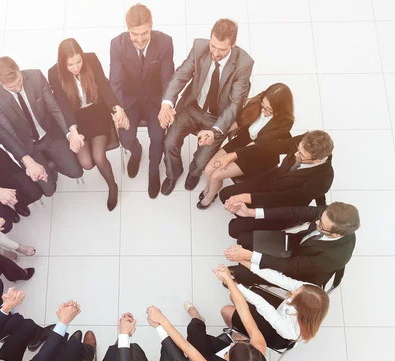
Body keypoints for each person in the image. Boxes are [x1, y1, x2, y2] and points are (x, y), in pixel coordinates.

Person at [158, 19, 254, 195]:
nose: (215, 53)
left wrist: (216, 131)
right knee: (169, 142)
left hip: (218, 118)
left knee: (203, 160)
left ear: (233, 45)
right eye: (213, 46)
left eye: (222, 49)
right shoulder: (199, 47)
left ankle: (194, 172)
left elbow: (235, 104)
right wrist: (166, 103)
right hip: (192, 108)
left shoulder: (244, 63)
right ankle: (174, 173)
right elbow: (181, 75)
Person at [147, 273, 267, 361]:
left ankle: (197, 320)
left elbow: (186, 347)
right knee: (197, 333)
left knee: (193, 333)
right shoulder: (260, 347)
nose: (231, 343)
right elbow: (244, 310)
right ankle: (198, 321)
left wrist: (162, 320)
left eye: (230, 350)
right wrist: (229, 280)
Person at [48, 38, 130, 211]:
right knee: (87, 163)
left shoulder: (91, 59)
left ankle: (112, 186)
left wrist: (116, 108)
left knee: (99, 157)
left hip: (97, 112)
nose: (76, 67)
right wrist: (73, 130)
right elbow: (63, 104)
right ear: (63, 64)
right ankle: (105, 173)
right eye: (70, 64)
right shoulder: (54, 73)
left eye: (78, 61)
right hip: (77, 118)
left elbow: (103, 86)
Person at [0, 56, 84, 197]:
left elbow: (54, 108)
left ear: (19, 70)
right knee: (49, 191)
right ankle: (49, 166)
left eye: (19, 81)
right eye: (12, 87)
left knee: (76, 172)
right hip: (28, 146)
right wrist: (28, 161)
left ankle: (51, 163)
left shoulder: (35, 76)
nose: (18, 88)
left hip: (50, 135)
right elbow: (9, 133)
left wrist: (69, 134)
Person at [109, 3, 174, 197]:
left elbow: (167, 78)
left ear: (151, 25)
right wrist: (118, 108)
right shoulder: (116, 44)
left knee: (158, 137)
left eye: (144, 33)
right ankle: (136, 153)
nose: (139, 39)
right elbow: (116, 80)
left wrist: (166, 104)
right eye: (134, 34)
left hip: (156, 99)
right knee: (125, 138)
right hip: (130, 99)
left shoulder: (165, 42)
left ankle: (153, 171)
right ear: (127, 28)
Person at [197, 83, 294, 209]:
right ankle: (209, 189)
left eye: (269, 110)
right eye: (263, 106)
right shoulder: (257, 103)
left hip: (258, 153)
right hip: (243, 141)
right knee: (209, 169)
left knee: (216, 175)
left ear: (280, 109)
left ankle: (210, 196)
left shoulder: (285, 122)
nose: (263, 112)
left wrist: (230, 157)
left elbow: (258, 144)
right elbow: (240, 121)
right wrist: (215, 133)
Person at [224, 202, 360, 287]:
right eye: (320, 218)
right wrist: (251, 212)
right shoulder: (328, 214)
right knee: (244, 239)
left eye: (322, 225)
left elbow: (290, 266)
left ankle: (249, 279)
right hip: (297, 245)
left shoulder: (334, 257)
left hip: (299, 272)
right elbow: (294, 212)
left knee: (242, 272)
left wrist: (250, 255)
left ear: (336, 235)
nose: (316, 222)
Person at [221, 262, 329, 349]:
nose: (293, 291)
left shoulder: (289, 331)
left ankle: (239, 335)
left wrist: (232, 283)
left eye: (296, 294)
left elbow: (264, 306)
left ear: (300, 307)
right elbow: (280, 279)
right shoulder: (311, 291)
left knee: (226, 310)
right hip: (279, 311)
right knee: (235, 296)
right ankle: (240, 321)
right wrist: (245, 261)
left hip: (275, 334)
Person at [219, 130, 335, 211]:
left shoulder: (322, 180)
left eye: (302, 155)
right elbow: (273, 146)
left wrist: (246, 198)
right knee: (225, 195)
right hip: (276, 177)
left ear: (317, 161)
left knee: (241, 221)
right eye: (298, 149)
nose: (295, 154)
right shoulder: (304, 141)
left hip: (286, 201)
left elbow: (283, 197)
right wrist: (234, 155)